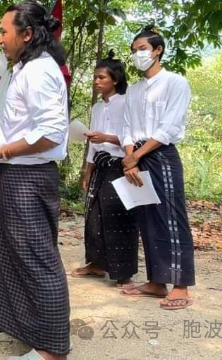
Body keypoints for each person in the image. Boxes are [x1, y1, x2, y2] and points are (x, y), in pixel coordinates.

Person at [0, 1, 70, 360]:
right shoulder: (26, 68)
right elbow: (24, 128)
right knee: (15, 255)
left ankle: (51, 349)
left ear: (26, 35)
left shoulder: (39, 72)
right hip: (18, 173)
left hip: (30, 177)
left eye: (3, 31)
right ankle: (31, 330)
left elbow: (50, 134)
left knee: (37, 258)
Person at [120, 25, 195, 310]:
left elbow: (169, 127)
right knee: (147, 216)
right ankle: (156, 281)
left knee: (171, 217)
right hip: (135, 156)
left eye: (142, 49)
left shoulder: (175, 83)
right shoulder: (135, 90)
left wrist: (135, 156)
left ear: (157, 50)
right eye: (134, 50)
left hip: (161, 154)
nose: (138, 54)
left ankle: (181, 285)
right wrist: (130, 158)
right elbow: (126, 126)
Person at [71, 51, 138, 289]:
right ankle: (97, 263)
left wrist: (107, 137)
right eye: (95, 77)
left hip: (120, 164)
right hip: (99, 165)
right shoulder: (98, 107)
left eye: (102, 77)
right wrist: (88, 171)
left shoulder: (127, 102)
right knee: (94, 216)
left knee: (119, 216)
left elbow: (134, 137)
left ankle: (123, 270)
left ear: (115, 80)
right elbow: (93, 141)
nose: (96, 82)